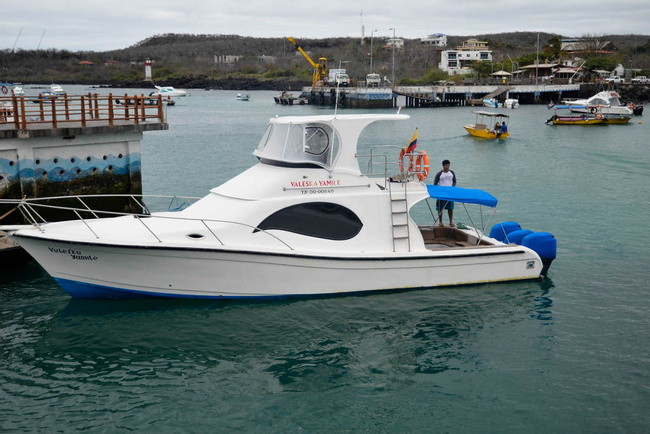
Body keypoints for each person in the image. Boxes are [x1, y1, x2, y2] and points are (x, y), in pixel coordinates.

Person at [433, 159, 457, 227]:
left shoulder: (452, 172)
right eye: (446, 165)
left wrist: (452, 187)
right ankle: (440, 221)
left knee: (451, 208)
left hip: (450, 193)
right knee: (440, 208)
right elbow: (435, 183)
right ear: (443, 166)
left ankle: (451, 221)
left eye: (448, 165)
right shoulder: (439, 174)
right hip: (441, 194)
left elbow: (454, 181)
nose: (447, 166)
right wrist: (439, 191)